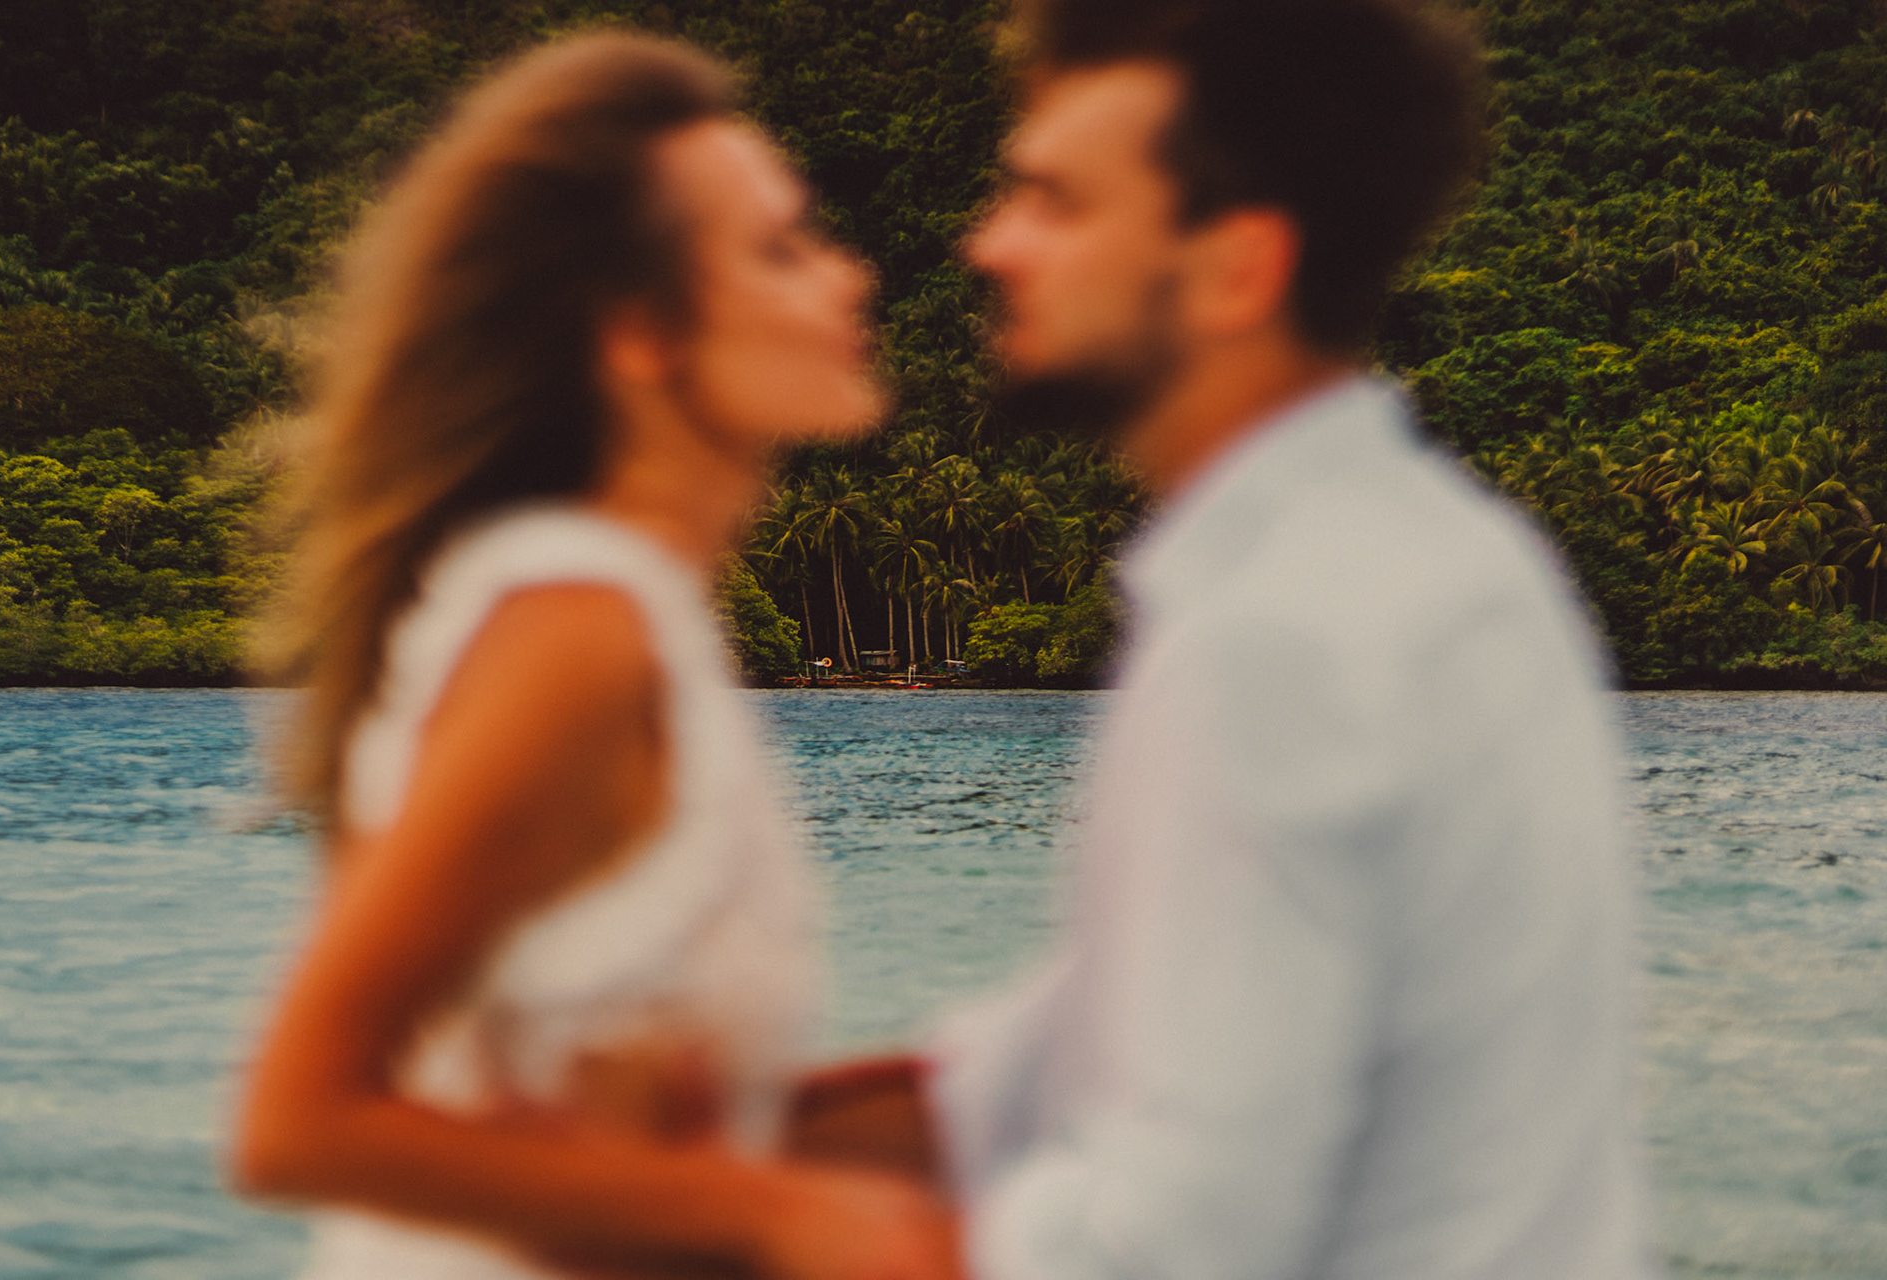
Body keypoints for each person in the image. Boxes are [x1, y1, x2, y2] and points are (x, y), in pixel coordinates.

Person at [792, 1, 1659, 1277]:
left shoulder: (1288, 637)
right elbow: (1055, 1064)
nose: (990, 244)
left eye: (1056, 201)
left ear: (1236, 268)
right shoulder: (1436, 564)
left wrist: (770, 1228)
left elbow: (1167, 1243)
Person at [232, 33, 963, 1280]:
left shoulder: (632, 616)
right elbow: (301, 1116)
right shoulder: (578, 623)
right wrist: (791, 1218)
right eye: (780, 249)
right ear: (637, 335)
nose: (847, 278)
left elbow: (606, 1125)